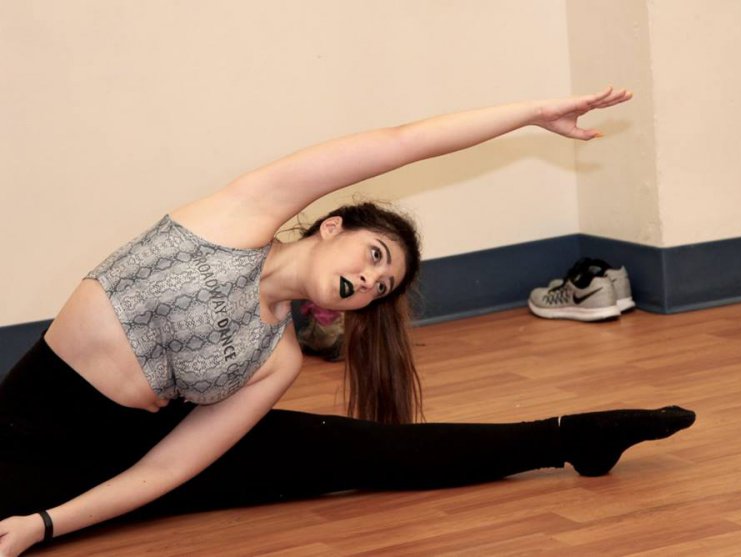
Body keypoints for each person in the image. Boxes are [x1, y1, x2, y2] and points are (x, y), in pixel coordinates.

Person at [0, 87, 695, 556]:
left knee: (366, 450)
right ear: (331, 224)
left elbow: (169, 465)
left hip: (124, 460)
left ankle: (573, 436)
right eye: (373, 256)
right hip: (21, 432)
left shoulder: (276, 359)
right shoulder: (239, 215)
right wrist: (531, 112)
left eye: (379, 287)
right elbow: (402, 141)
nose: (369, 279)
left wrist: (43, 526)